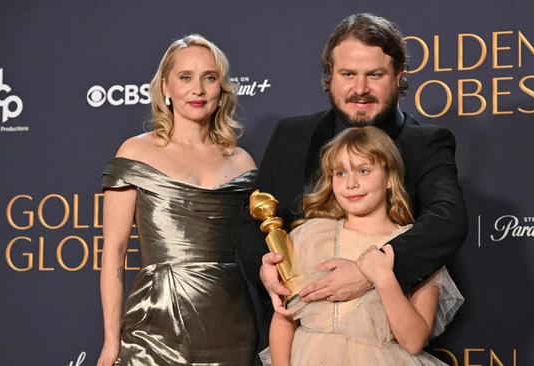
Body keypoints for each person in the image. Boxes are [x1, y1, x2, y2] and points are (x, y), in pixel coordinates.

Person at [237, 13, 467, 353]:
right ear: (330, 76)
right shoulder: (292, 135)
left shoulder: (426, 143)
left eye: (374, 75)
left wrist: (369, 271)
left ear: (399, 76)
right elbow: (250, 221)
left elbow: (447, 221)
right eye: (348, 74)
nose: (360, 89)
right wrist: (265, 269)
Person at [97, 34, 257, 366]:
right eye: (185, 77)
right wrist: (111, 340)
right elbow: (113, 253)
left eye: (209, 77)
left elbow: (257, 246)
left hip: (230, 322)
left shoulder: (242, 162)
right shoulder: (135, 153)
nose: (197, 89)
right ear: (166, 88)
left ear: (221, 89)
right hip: (157, 321)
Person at [264, 127, 463, 365]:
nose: (351, 183)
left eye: (364, 170)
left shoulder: (415, 246)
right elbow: (284, 318)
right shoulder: (310, 237)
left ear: (389, 177)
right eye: (340, 173)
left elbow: (413, 340)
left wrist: (383, 278)